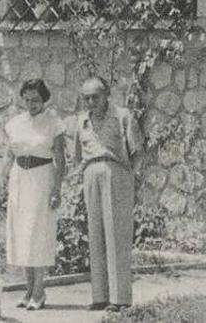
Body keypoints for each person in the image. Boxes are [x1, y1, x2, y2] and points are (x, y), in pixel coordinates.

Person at [0, 79, 66, 311]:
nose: (31, 104)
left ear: (44, 99)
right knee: (22, 234)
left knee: (38, 233)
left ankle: (39, 291)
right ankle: (28, 289)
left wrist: (57, 189)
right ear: (22, 99)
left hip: (42, 178)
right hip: (19, 179)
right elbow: (8, 155)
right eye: (27, 99)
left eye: (36, 100)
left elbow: (61, 159)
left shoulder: (54, 123)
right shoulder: (15, 123)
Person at [73, 76, 142, 312]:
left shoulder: (123, 116)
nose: (91, 102)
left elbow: (137, 151)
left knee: (117, 234)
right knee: (95, 234)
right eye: (87, 98)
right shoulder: (82, 121)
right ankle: (99, 295)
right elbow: (77, 154)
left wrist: (127, 175)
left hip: (117, 173)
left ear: (107, 94)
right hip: (91, 173)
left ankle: (120, 298)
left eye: (96, 96)